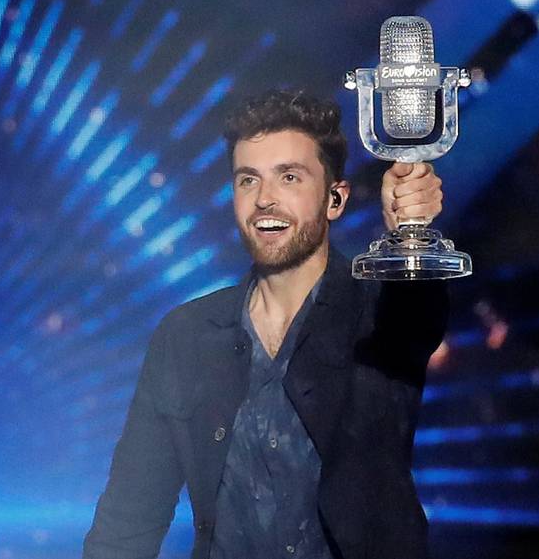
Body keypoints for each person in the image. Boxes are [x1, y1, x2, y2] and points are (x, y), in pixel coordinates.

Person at [83, 89, 450, 559]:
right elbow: (128, 518)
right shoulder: (186, 337)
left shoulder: (380, 315)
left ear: (335, 199)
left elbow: (420, 311)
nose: (264, 200)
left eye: (289, 177)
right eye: (248, 180)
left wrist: (409, 235)